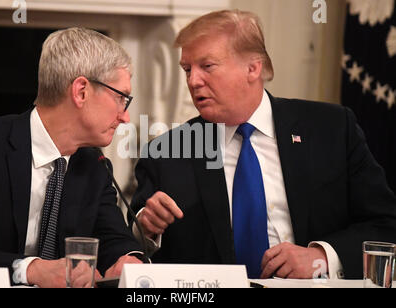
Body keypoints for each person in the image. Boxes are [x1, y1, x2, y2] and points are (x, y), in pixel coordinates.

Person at [131, 10, 396, 279]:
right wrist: (147, 229)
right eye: (187, 69)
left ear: (253, 67)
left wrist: (321, 256)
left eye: (207, 66)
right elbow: (132, 245)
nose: (193, 80)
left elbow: (386, 224)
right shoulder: (167, 151)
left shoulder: (332, 129)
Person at [0, 27, 144, 287]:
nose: (125, 116)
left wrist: (128, 259)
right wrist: (31, 270)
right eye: (120, 98)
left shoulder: (94, 166)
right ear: (81, 91)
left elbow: (112, 238)